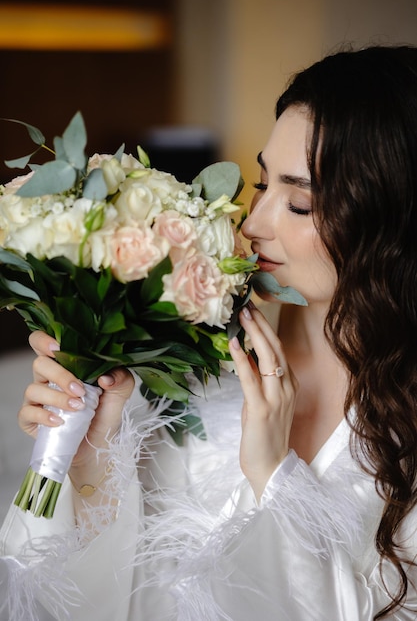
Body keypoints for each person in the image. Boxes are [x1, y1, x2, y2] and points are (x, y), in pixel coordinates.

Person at [1, 44, 417, 621]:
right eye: (262, 183)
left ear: (390, 222)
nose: (253, 223)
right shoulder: (198, 352)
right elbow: (108, 588)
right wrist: (87, 455)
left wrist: (275, 477)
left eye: (299, 203)